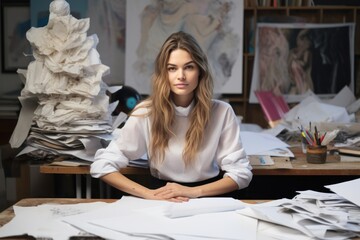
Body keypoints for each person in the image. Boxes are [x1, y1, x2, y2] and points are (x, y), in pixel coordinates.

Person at [90, 31, 252, 202]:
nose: (180, 76)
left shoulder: (222, 111)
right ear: (163, 73)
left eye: (189, 67)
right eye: (172, 68)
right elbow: (102, 165)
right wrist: (148, 194)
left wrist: (193, 192)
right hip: (161, 197)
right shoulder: (145, 112)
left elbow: (241, 174)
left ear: (200, 71)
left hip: (208, 198)